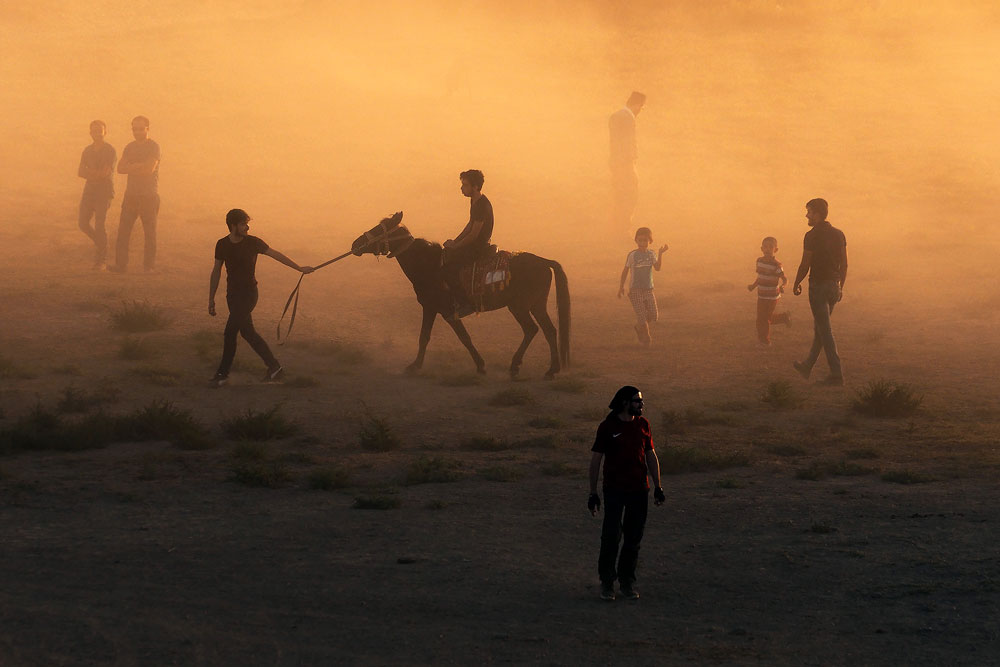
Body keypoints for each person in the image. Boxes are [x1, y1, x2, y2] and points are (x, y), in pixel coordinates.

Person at [208, 209, 314, 387]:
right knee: (247, 333)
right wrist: (211, 299)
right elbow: (216, 271)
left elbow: (276, 255)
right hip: (232, 296)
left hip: (249, 294)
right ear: (233, 225)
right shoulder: (222, 245)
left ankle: (222, 374)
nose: (247, 227)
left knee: (230, 332)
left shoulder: (253, 243)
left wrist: (299, 268)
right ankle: (275, 368)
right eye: (243, 224)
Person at [588, 385, 664, 601]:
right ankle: (607, 582)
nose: (641, 404)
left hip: (639, 490)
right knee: (612, 536)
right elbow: (595, 460)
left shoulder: (643, 425)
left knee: (633, 538)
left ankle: (627, 582)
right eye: (637, 401)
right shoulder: (608, 426)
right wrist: (593, 493)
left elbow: (651, 455)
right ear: (624, 403)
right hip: (614, 489)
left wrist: (658, 486)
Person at [791, 198, 847, 385]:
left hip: (818, 287)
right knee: (821, 329)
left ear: (817, 214)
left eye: (809, 211)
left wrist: (796, 282)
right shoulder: (839, 234)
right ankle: (807, 365)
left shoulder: (811, 236)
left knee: (825, 330)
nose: (807, 215)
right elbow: (844, 264)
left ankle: (836, 373)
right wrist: (841, 286)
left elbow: (805, 264)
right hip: (833, 285)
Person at [442, 169, 494, 319]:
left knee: (449, 269)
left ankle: (466, 304)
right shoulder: (475, 201)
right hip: (474, 243)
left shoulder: (482, 205)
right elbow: (470, 224)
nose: (461, 188)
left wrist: (456, 246)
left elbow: (474, 234)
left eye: (465, 185)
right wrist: (455, 241)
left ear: (476, 187)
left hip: (478, 246)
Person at [111, 115, 160, 273]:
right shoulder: (129, 147)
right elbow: (119, 169)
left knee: (149, 232)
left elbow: (149, 170)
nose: (137, 132)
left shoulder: (154, 147)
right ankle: (121, 265)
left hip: (148, 195)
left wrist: (131, 167)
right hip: (131, 194)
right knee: (123, 231)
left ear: (148, 128)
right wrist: (139, 166)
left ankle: (149, 267)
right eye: (134, 129)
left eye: (140, 128)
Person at [77, 120, 116, 269]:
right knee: (82, 223)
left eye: (100, 130)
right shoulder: (87, 150)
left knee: (100, 224)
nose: (97, 133)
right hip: (90, 191)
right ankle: (101, 244)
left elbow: (105, 174)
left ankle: (101, 260)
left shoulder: (110, 150)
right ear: (90, 133)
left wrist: (90, 173)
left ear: (105, 132)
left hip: (104, 191)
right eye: (94, 131)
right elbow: (80, 172)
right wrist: (95, 174)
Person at [618, 227, 667, 346]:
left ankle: (639, 327)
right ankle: (646, 339)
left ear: (650, 241)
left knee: (654, 316)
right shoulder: (632, 255)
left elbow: (658, 268)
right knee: (642, 317)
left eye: (645, 240)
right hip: (635, 290)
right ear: (636, 241)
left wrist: (660, 254)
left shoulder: (651, 254)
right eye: (640, 240)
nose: (642, 243)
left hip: (648, 289)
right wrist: (621, 287)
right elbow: (625, 271)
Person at [608, 92, 646, 233]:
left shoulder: (617, 116)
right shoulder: (626, 118)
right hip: (625, 163)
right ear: (638, 105)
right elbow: (625, 143)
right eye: (642, 108)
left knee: (620, 195)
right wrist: (630, 160)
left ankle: (617, 228)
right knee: (630, 195)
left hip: (618, 163)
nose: (641, 111)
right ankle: (623, 229)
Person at [747, 236, 791, 346]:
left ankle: (765, 341)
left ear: (775, 250)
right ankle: (783, 318)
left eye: (770, 247)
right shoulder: (759, 261)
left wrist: (783, 286)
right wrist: (753, 286)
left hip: (772, 296)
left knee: (765, 318)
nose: (767, 249)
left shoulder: (777, 265)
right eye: (765, 247)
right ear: (761, 249)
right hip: (761, 295)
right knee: (761, 318)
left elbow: (785, 278)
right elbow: (760, 277)